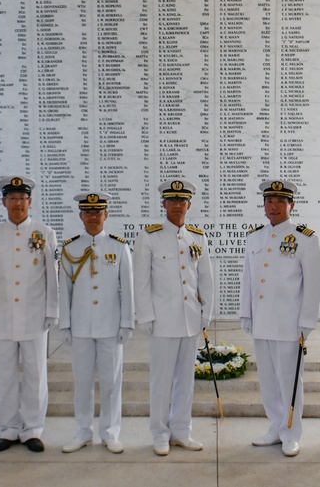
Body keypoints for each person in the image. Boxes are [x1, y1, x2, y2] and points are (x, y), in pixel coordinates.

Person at [240, 179, 320, 457]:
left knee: (289, 380)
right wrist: (246, 313)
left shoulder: (305, 238)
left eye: (279, 201)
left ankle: (291, 432)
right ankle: (275, 427)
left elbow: (312, 283)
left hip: (289, 323)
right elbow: (248, 279)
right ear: (263, 205)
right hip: (262, 321)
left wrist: (307, 321)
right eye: (269, 201)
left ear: (291, 205)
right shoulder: (255, 236)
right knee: (268, 380)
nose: (273, 206)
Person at [132, 179, 215, 456]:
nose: (177, 205)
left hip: (190, 320)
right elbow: (141, 281)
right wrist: (145, 315)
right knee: (161, 380)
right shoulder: (150, 236)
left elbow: (205, 279)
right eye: (172, 200)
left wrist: (206, 313)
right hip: (162, 322)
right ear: (163, 204)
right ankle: (159, 433)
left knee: (185, 380)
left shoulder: (197, 237)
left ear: (189, 204)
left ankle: (181, 431)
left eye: (182, 201)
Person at [0, 175, 59, 453]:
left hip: (34, 316)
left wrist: (51, 311)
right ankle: (9, 430)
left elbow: (52, 277)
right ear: (4, 202)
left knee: (36, 374)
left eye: (22, 199)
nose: (17, 203)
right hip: (2, 316)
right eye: (12, 198)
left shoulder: (44, 233)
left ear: (30, 201)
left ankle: (33, 430)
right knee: (6, 375)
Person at [59, 192, 135, 454]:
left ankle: (110, 432)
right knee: (82, 382)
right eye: (88, 212)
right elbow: (64, 290)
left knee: (112, 383)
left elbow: (127, 288)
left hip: (110, 327)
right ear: (81, 216)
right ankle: (82, 432)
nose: (93, 216)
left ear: (106, 214)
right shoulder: (70, 249)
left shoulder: (119, 247)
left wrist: (127, 322)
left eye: (98, 212)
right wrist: (65, 325)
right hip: (80, 326)